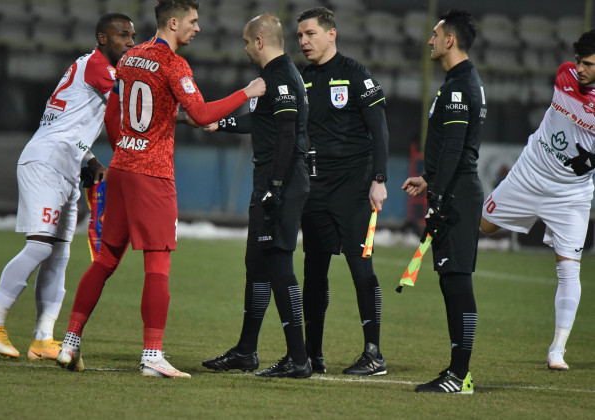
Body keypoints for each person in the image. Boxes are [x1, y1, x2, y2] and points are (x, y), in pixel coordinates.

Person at [55, 0, 266, 378]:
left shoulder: (131, 56)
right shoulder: (174, 64)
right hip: (153, 175)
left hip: (121, 168)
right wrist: (247, 92)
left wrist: (125, 148)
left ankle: (69, 342)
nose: (198, 28)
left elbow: (112, 111)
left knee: (105, 259)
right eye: (193, 21)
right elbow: (200, 114)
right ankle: (152, 355)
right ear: (173, 22)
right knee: (159, 264)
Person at [0, 14, 136, 360]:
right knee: (39, 246)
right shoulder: (97, 66)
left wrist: (91, 161)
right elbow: (133, 106)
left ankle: (43, 339)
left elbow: (68, 125)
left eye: (132, 36)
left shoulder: (87, 70)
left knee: (59, 253)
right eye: (123, 35)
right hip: (46, 163)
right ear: (102, 39)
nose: (130, 42)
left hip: (66, 165)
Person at [201, 13, 312, 378]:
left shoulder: (280, 77)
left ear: (260, 42)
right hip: (270, 179)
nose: (246, 48)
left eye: (247, 42)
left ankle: (298, 358)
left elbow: (286, 136)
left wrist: (275, 188)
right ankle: (246, 352)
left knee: (279, 265)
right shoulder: (274, 77)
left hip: (280, 180)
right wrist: (222, 122)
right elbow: (260, 121)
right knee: (257, 266)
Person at [481, 30, 595, 372]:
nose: (581, 68)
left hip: (570, 194)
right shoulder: (564, 75)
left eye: (588, 64)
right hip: (529, 173)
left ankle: (557, 349)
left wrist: (587, 163)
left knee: (568, 269)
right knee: (485, 227)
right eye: (580, 61)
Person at [295, 7, 389, 376]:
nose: (303, 41)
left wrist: (378, 179)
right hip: (314, 189)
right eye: (300, 35)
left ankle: (373, 354)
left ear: (331, 34)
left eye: (310, 34)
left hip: (353, 188)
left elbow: (379, 130)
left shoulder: (356, 74)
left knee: (359, 265)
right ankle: (312, 354)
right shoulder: (301, 78)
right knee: (313, 271)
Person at [401, 9, 486, 394]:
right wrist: (430, 179)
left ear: (450, 40)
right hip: (456, 190)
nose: (429, 41)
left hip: (458, 195)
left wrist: (438, 195)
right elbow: (457, 149)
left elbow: (454, 149)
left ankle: (460, 374)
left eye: (435, 34)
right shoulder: (464, 81)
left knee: (457, 284)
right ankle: (456, 371)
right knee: (452, 282)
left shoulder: (457, 86)